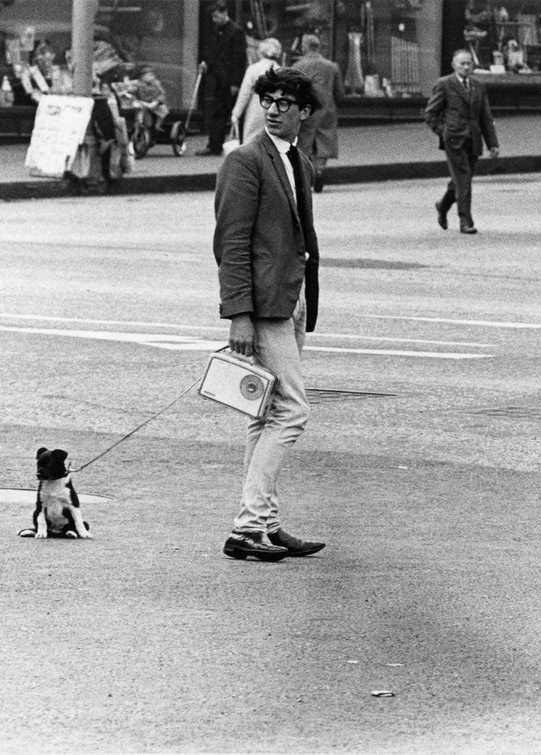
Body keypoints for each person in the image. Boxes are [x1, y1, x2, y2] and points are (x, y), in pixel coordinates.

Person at [213, 67, 324, 562]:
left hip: (291, 296)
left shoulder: (295, 158)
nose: (274, 108)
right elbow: (230, 242)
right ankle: (247, 527)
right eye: (268, 100)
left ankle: (266, 524)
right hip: (263, 305)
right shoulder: (246, 160)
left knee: (263, 412)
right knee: (293, 410)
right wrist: (238, 314)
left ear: (304, 111)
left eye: (285, 102)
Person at [424, 48, 500, 235]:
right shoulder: (445, 84)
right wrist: (443, 132)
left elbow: (485, 116)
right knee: (464, 178)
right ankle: (465, 220)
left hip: (473, 140)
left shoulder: (478, 86)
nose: (466, 67)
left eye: (469, 64)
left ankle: (443, 205)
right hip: (454, 140)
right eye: (462, 64)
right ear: (453, 65)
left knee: (460, 180)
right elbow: (430, 113)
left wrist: (492, 143)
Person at [292, 34, 345, 192]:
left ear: (304, 47)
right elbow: (340, 93)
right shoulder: (332, 66)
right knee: (325, 140)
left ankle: (306, 173)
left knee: (304, 141)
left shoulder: (297, 67)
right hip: (326, 109)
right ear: (318, 47)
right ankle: (319, 170)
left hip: (306, 110)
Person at [197, 2, 247, 156]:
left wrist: (235, 82)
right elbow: (210, 50)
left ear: (225, 13)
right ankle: (214, 145)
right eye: (213, 17)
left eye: (216, 16)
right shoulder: (214, 30)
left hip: (229, 79)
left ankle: (240, 144)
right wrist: (206, 62)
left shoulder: (236, 31)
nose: (214, 20)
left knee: (234, 112)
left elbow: (239, 58)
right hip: (216, 77)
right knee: (216, 112)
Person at [230, 37, 282, 146]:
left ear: (261, 52)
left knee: (251, 139)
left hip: (255, 106)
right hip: (274, 107)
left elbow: (244, 93)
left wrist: (236, 113)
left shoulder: (253, 69)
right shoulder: (280, 70)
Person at [135, 65, 170, 131]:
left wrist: (156, 101)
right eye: (149, 76)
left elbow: (162, 94)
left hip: (154, 103)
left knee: (162, 111)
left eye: (152, 75)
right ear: (142, 77)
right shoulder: (139, 84)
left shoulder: (156, 83)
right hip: (143, 103)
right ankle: (140, 124)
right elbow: (137, 94)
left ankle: (158, 125)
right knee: (141, 112)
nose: (152, 77)